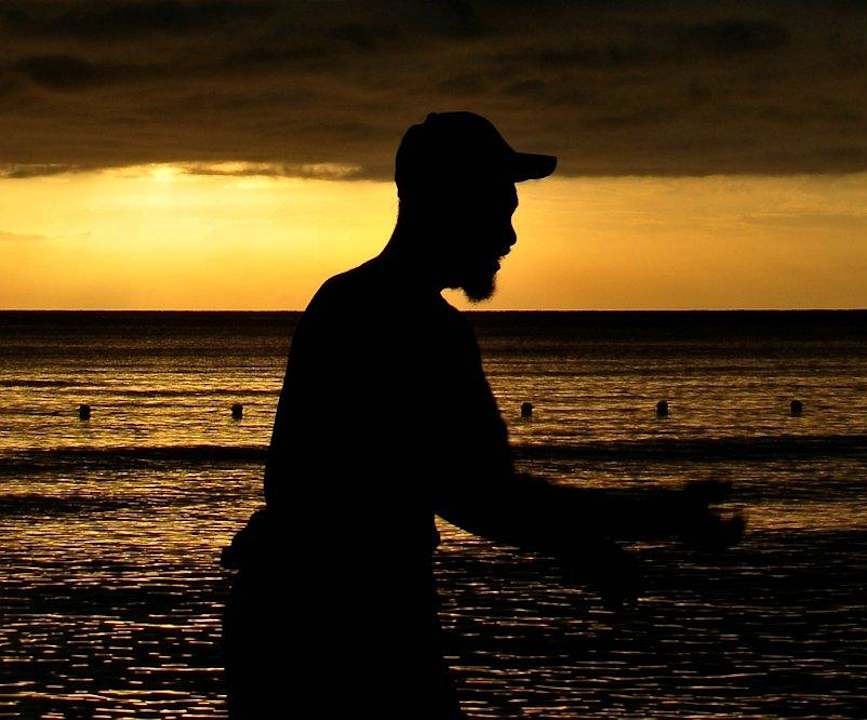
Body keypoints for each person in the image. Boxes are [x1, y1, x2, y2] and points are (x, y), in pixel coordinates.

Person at [221, 111, 744, 718]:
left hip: (286, 617)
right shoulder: (420, 328)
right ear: (451, 201)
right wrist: (657, 516)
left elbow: (439, 484)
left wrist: (584, 548)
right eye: (501, 207)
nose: (509, 235)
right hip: (350, 636)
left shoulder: (342, 300)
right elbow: (482, 495)